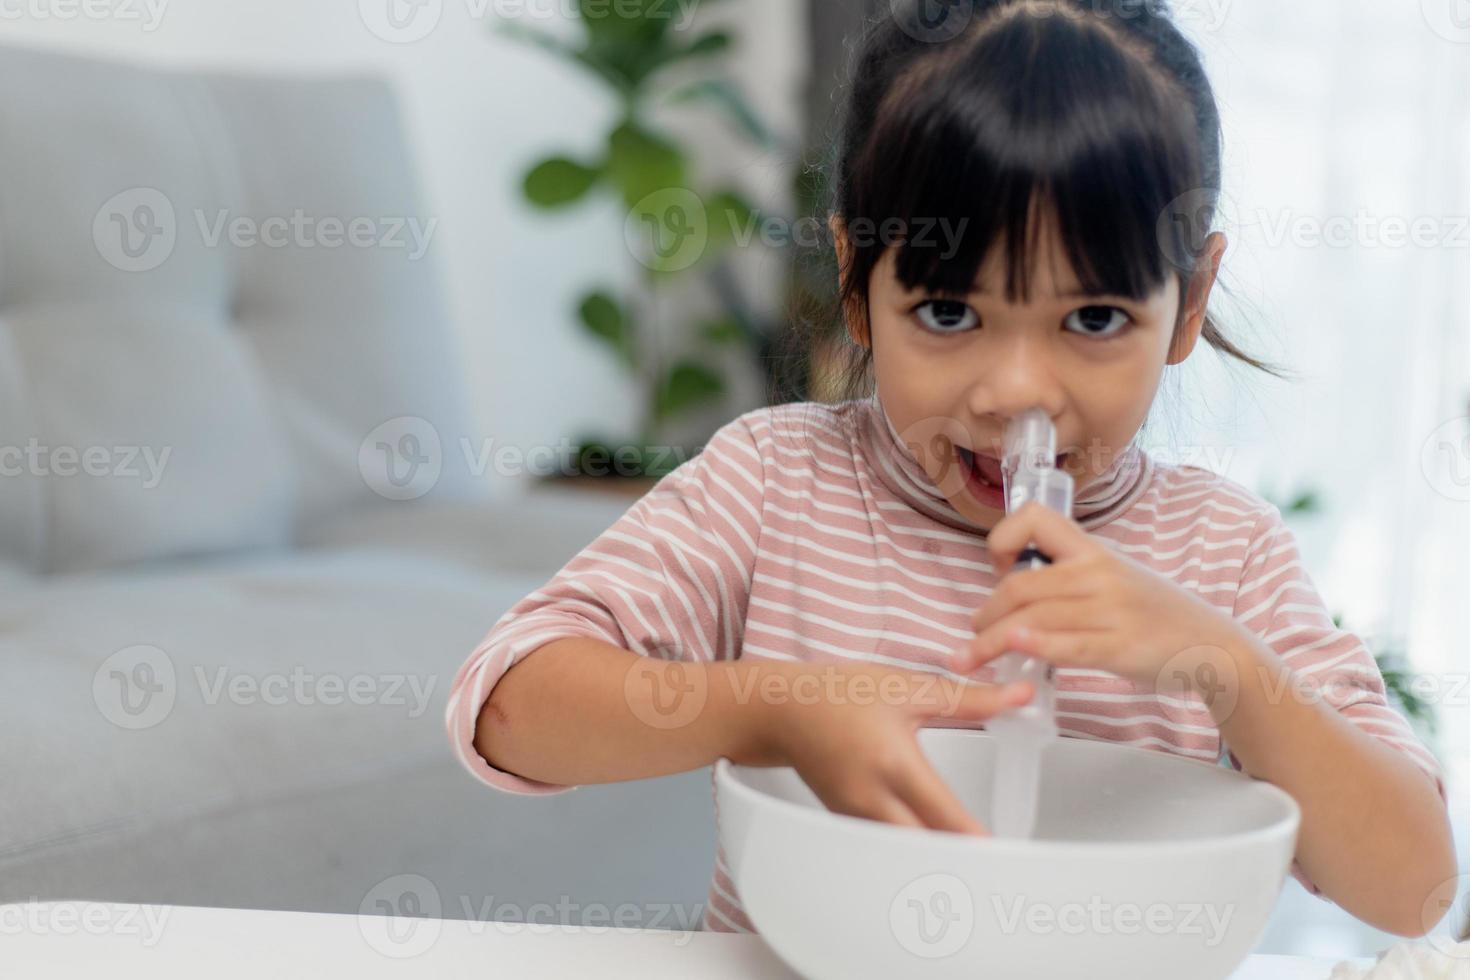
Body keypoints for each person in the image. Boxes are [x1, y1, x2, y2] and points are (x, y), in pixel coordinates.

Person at [446, 0, 1454, 939]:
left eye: (1094, 318)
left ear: (1188, 304)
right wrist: (773, 704)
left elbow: (1414, 888)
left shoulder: (1222, 553)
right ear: (856, 285)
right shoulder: (775, 482)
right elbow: (511, 709)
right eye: (948, 312)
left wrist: (1227, 667)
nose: (1017, 392)